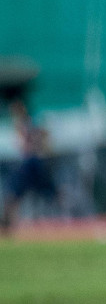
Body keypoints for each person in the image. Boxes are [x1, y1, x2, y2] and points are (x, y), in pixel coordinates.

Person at [1, 99, 57, 234]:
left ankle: (8, 224)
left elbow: (38, 139)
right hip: (32, 162)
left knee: (14, 194)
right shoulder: (27, 124)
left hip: (30, 163)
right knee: (16, 195)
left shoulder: (26, 124)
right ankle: (8, 223)